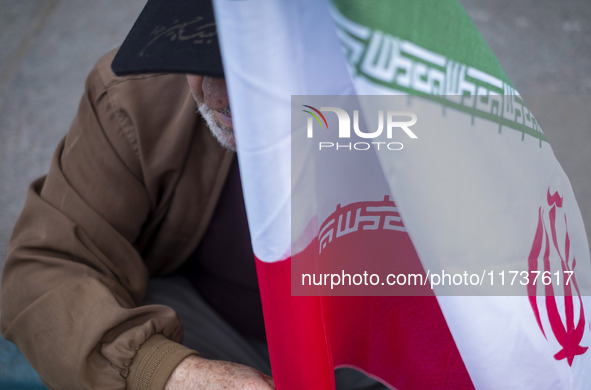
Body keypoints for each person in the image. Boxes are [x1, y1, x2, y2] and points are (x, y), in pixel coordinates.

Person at [1, 0, 385, 389]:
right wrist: (172, 374)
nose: (218, 98)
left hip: (386, 339)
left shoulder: (417, 100)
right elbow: (42, 267)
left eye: (248, 68)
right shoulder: (133, 94)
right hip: (211, 329)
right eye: (197, 55)